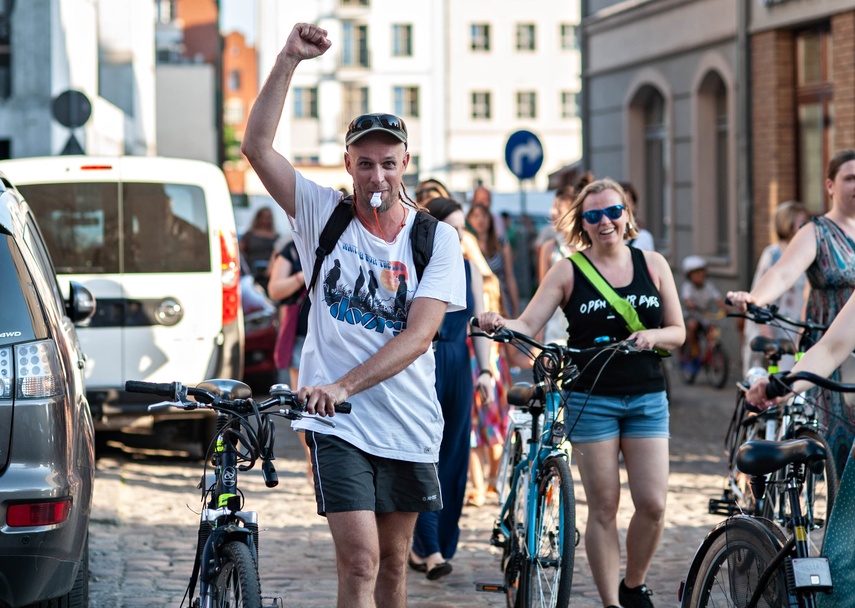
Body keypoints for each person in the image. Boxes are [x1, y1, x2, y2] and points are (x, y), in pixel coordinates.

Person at [240, 23, 467, 608]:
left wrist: (346, 382)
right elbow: (257, 149)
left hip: (410, 422)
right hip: (337, 423)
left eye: (388, 164)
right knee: (361, 561)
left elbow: (421, 336)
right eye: (365, 164)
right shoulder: (323, 215)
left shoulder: (434, 239)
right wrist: (289, 59)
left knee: (394, 565)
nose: (377, 177)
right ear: (348, 164)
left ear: (406, 163)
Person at [478, 178, 685, 608]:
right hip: (591, 399)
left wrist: (652, 335)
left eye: (613, 212)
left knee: (653, 503)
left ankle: (634, 583)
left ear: (627, 214)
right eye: (593, 215)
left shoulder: (654, 264)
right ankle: (611, 602)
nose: (605, 221)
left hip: (647, 396)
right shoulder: (569, 269)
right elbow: (529, 323)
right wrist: (500, 322)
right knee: (604, 506)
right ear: (582, 223)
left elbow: (678, 332)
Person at [729, 149, 855, 474]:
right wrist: (755, 298)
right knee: (839, 452)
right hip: (831, 345)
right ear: (830, 185)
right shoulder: (818, 231)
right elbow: (783, 273)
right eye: (850, 178)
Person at [409, 197, 494, 580]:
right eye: (453, 229)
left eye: (463, 230)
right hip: (422, 363)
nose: (460, 237)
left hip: (459, 367)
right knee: (424, 456)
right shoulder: (414, 265)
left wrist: (486, 372)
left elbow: (476, 324)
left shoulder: (467, 268)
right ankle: (431, 551)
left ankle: (436, 542)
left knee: (456, 458)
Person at [741, 201, 809, 376]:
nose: (805, 227)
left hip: (797, 326)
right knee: (779, 376)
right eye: (801, 222)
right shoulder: (773, 254)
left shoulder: (807, 251)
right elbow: (761, 292)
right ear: (787, 224)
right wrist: (766, 331)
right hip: (778, 325)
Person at [467, 202, 520, 317]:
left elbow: (509, 276)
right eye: (476, 216)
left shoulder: (501, 244)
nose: (480, 220)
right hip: (478, 301)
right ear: (469, 219)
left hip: (500, 300)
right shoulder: (467, 246)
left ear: (490, 219)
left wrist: (516, 310)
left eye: (484, 216)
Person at [680, 254, 727, 371]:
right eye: (696, 274)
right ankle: (694, 349)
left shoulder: (708, 286)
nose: (700, 276)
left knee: (712, 331)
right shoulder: (688, 287)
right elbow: (687, 299)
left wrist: (725, 307)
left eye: (701, 272)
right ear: (689, 276)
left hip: (705, 315)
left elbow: (718, 298)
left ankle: (711, 352)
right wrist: (691, 304)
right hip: (692, 314)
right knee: (692, 325)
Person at [240, 206, 280, 288]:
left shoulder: (277, 237)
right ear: (258, 218)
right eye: (264, 217)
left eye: (268, 217)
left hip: (270, 274)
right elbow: (240, 252)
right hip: (252, 274)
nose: (266, 220)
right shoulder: (249, 235)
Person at [620, 181, 655, 251]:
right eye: (619, 201)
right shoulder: (608, 236)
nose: (622, 206)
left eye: (627, 201)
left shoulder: (644, 237)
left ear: (634, 206)